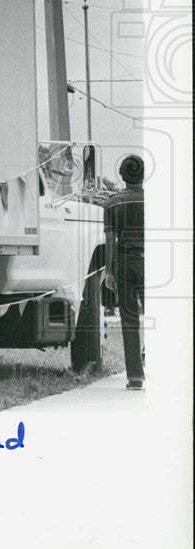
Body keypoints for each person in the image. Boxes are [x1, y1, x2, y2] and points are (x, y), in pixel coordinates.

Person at [101, 155, 145, 390]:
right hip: (152, 261)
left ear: (122, 176)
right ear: (143, 175)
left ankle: (135, 377)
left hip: (125, 262)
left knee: (129, 320)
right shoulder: (156, 200)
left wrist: (109, 270)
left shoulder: (112, 203)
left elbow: (110, 239)